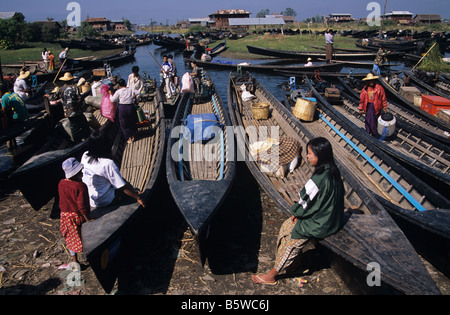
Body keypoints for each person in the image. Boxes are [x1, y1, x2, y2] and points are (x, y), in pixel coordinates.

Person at [251, 137, 345, 285]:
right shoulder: (332, 171)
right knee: (286, 227)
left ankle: (272, 275)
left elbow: (306, 200)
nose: (307, 156)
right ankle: (295, 265)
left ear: (320, 156)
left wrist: (297, 212)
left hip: (323, 221)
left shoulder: (320, 177)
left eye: (310, 153)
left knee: (292, 240)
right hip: (331, 216)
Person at [81, 131, 146, 209]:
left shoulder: (85, 156)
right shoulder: (107, 163)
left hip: (93, 201)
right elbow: (122, 187)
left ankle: (134, 190)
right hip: (106, 200)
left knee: (119, 179)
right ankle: (136, 191)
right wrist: (138, 198)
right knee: (124, 184)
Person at [58, 157, 92, 265]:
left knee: (70, 239)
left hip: (64, 216)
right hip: (76, 217)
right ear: (76, 173)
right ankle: (88, 256)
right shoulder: (80, 186)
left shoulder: (61, 183)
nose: (82, 174)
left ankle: (75, 261)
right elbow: (82, 206)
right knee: (84, 238)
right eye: (80, 172)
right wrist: (88, 219)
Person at [109, 78, 139, 144]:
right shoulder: (130, 89)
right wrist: (134, 97)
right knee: (132, 121)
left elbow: (112, 100)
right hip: (130, 107)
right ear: (125, 84)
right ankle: (133, 134)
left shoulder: (118, 91)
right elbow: (138, 92)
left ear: (119, 85)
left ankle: (129, 138)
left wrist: (110, 94)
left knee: (124, 123)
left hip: (122, 108)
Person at [359, 73, 388, 137]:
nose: (371, 82)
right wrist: (360, 109)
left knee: (374, 120)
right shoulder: (365, 89)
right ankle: (368, 132)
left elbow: (383, 98)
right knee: (368, 119)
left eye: (372, 80)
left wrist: (385, 107)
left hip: (377, 106)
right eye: (369, 81)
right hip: (368, 106)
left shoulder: (379, 88)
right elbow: (362, 100)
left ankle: (374, 133)